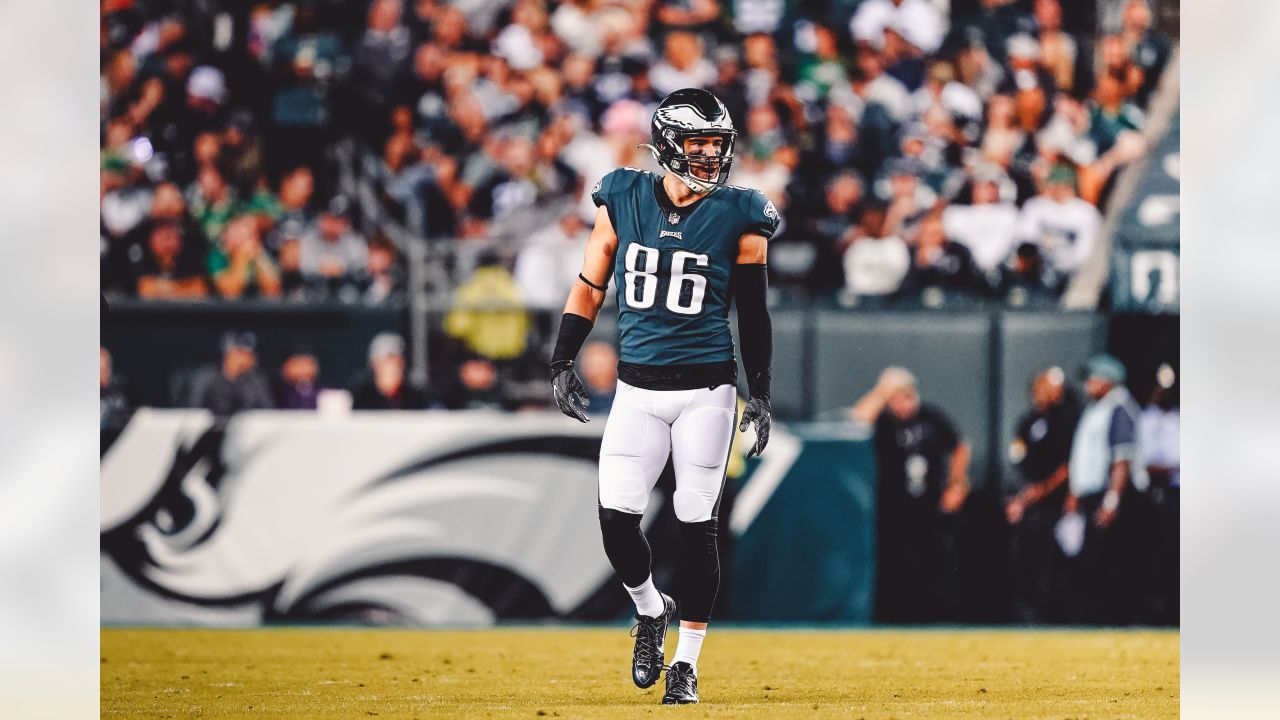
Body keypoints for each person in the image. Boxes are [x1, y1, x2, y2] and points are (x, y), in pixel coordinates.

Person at [548, 89, 778, 705]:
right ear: (670, 141)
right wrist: (563, 356)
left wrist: (761, 393)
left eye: (717, 145)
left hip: (708, 389)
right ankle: (650, 610)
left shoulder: (740, 212)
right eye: (700, 143)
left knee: (694, 526)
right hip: (636, 389)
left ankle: (688, 664)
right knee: (616, 523)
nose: (709, 156)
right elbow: (591, 280)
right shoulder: (621, 195)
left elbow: (753, 313)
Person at [852, 366, 970, 623]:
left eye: (907, 396)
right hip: (894, 510)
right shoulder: (884, 422)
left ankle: (940, 620)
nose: (904, 404)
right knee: (898, 569)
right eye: (897, 398)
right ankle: (899, 620)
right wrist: (881, 392)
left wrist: (956, 485)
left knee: (936, 566)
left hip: (929, 507)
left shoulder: (930, 417)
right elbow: (857, 420)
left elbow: (960, 446)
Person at [1063, 353, 1149, 624]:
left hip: (1115, 495)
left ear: (1109, 380)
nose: (1088, 384)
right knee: (1093, 561)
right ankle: (1098, 618)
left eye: (1093, 378)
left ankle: (1115, 620)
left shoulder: (1119, 407)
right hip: (1094, 493)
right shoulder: (1097, 408)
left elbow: (1121, 460)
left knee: (1111, 562)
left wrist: (1111, 501)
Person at [1003, 366, 1080, 622]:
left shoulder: (1069, 420)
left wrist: (1043, 490)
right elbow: (1019, 460)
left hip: (1056, 504)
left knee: (1053, 563)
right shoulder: (1028, 422)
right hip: (1030, 503)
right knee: (1025, 558)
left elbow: (1070, 464)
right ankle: (1026, 614)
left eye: (1047, 388)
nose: (1041, 393)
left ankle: (1053, 617)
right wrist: (1021, 496)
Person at [186, 331, 275, 415]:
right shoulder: (206, 378)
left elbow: (267, 412)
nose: (248, 357)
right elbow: (193, 411)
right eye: (240, 352)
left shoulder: (256, 381)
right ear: (228, 354)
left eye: (250, 353)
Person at [351, 332, 433, 410]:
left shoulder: (415, 398)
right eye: (388, 360)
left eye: (399, 361)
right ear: (374, 364)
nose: (394, 367)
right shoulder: (361, 398)